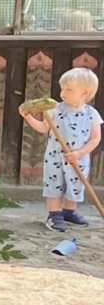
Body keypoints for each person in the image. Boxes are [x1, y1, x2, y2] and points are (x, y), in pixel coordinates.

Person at [21, 67, 102, 228]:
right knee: (54, 184)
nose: (63, 93)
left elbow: (95, 138)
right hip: (55, 157)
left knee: (75, 184)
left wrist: (80, 153)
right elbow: (44, 128)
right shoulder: (55, 109)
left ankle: (69, 212)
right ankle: (54, 214)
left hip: (78, 158)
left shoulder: (91, 113)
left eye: (69, 89)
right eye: (62, 88)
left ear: (85, 93)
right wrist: (29, 118)